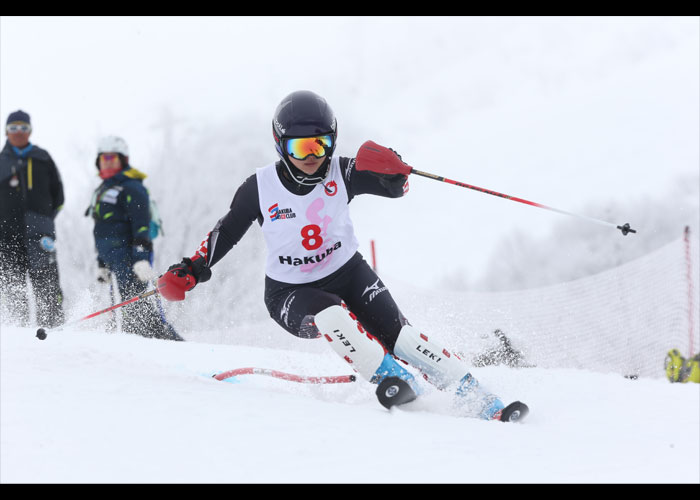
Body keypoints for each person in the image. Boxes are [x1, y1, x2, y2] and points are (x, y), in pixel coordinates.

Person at [157, 90, 523, 420]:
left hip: (349, 272)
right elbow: (228, 230)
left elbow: (394, 189)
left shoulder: (342, 171)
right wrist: (193, 268)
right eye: (301, 148)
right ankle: (394, 380)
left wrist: (394, 171)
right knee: (334, 317)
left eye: (320, 144)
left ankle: (478, 397)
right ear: (281, 146)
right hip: (290, 292)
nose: (312, 157)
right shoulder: (260, 187)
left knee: (404, 338)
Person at [87, 135, 182, 341]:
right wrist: (101, 263)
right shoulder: (103, 190)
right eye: (104, 159)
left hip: (130, 259)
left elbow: (141, 224)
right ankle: (138, 347)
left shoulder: (132, 187)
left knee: (135, 307)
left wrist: (141, 257)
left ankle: (168, 344)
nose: (108, 163)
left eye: (112, 158)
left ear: (123, 160)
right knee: (123, 308)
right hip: (113, 259)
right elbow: (101, 229)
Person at [0, 110, 65, 328]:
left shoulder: (42, 158)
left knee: (48, 287)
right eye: (13, 128)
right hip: (6, 237)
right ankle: (15, 335)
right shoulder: (1, 162)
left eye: (23, 128)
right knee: (12, 288)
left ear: (30, 130)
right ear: (6, 131)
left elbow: (58, 196)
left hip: (40, 237)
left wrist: (43, 220)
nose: (18, 132)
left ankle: (54, 331)